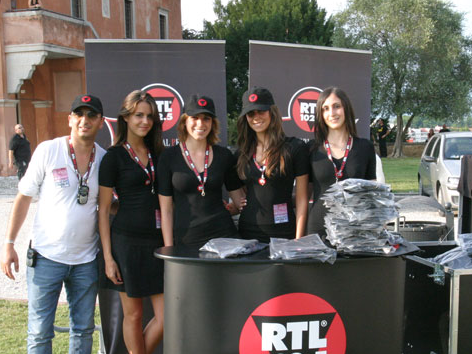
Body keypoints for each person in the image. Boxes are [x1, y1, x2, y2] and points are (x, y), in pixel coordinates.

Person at [0, 94, 106, 354]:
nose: (85, 120)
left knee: (83, 329)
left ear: (100, 122)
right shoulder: (49, 150)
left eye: (91, 115)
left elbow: (107, 205)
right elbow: (23, 197)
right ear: (70, 119)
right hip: (45, 257)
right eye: (79, 114)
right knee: (39, 332)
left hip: (86, 259)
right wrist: (8, 244)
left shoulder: (104, 158)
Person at [97, 90, 164, 354]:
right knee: (134, 315)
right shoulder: (113, 157)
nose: (144, 121)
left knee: (166, 316)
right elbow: (103, 210)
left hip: (157, 243)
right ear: (125, 118)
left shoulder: (159, 154)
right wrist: (108, 257)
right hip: (125, 243)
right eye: (138, 115)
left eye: (149, 116)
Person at [157, 95, 244, 248]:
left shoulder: (224, 155)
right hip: (187, 241)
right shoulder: (168, 157)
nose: (200, 123)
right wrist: (169, 249)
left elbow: (239, 200)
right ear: (184, 121)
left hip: (225, 237)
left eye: (206, 119)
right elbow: (166, 210)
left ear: (212, 123)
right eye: (195, 118)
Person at [235, 87, 309, 242]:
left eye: (261, 111)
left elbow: (302, 199)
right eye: (251, 113)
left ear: (272, 112)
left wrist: (299, 240)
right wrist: (236, 203)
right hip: (247, 232)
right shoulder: (241, 153)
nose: (256, 117)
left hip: (284, 232)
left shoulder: (294, 147)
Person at [307, 87, 377, 238]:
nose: (332, 113)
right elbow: (303, 195)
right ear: (320, 114)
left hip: (355, 230)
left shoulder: (365, 147)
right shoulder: (311, 149)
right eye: (325, 109)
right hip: (318, 229)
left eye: (337, 106)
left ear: (346, 108)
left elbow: (371, 194)